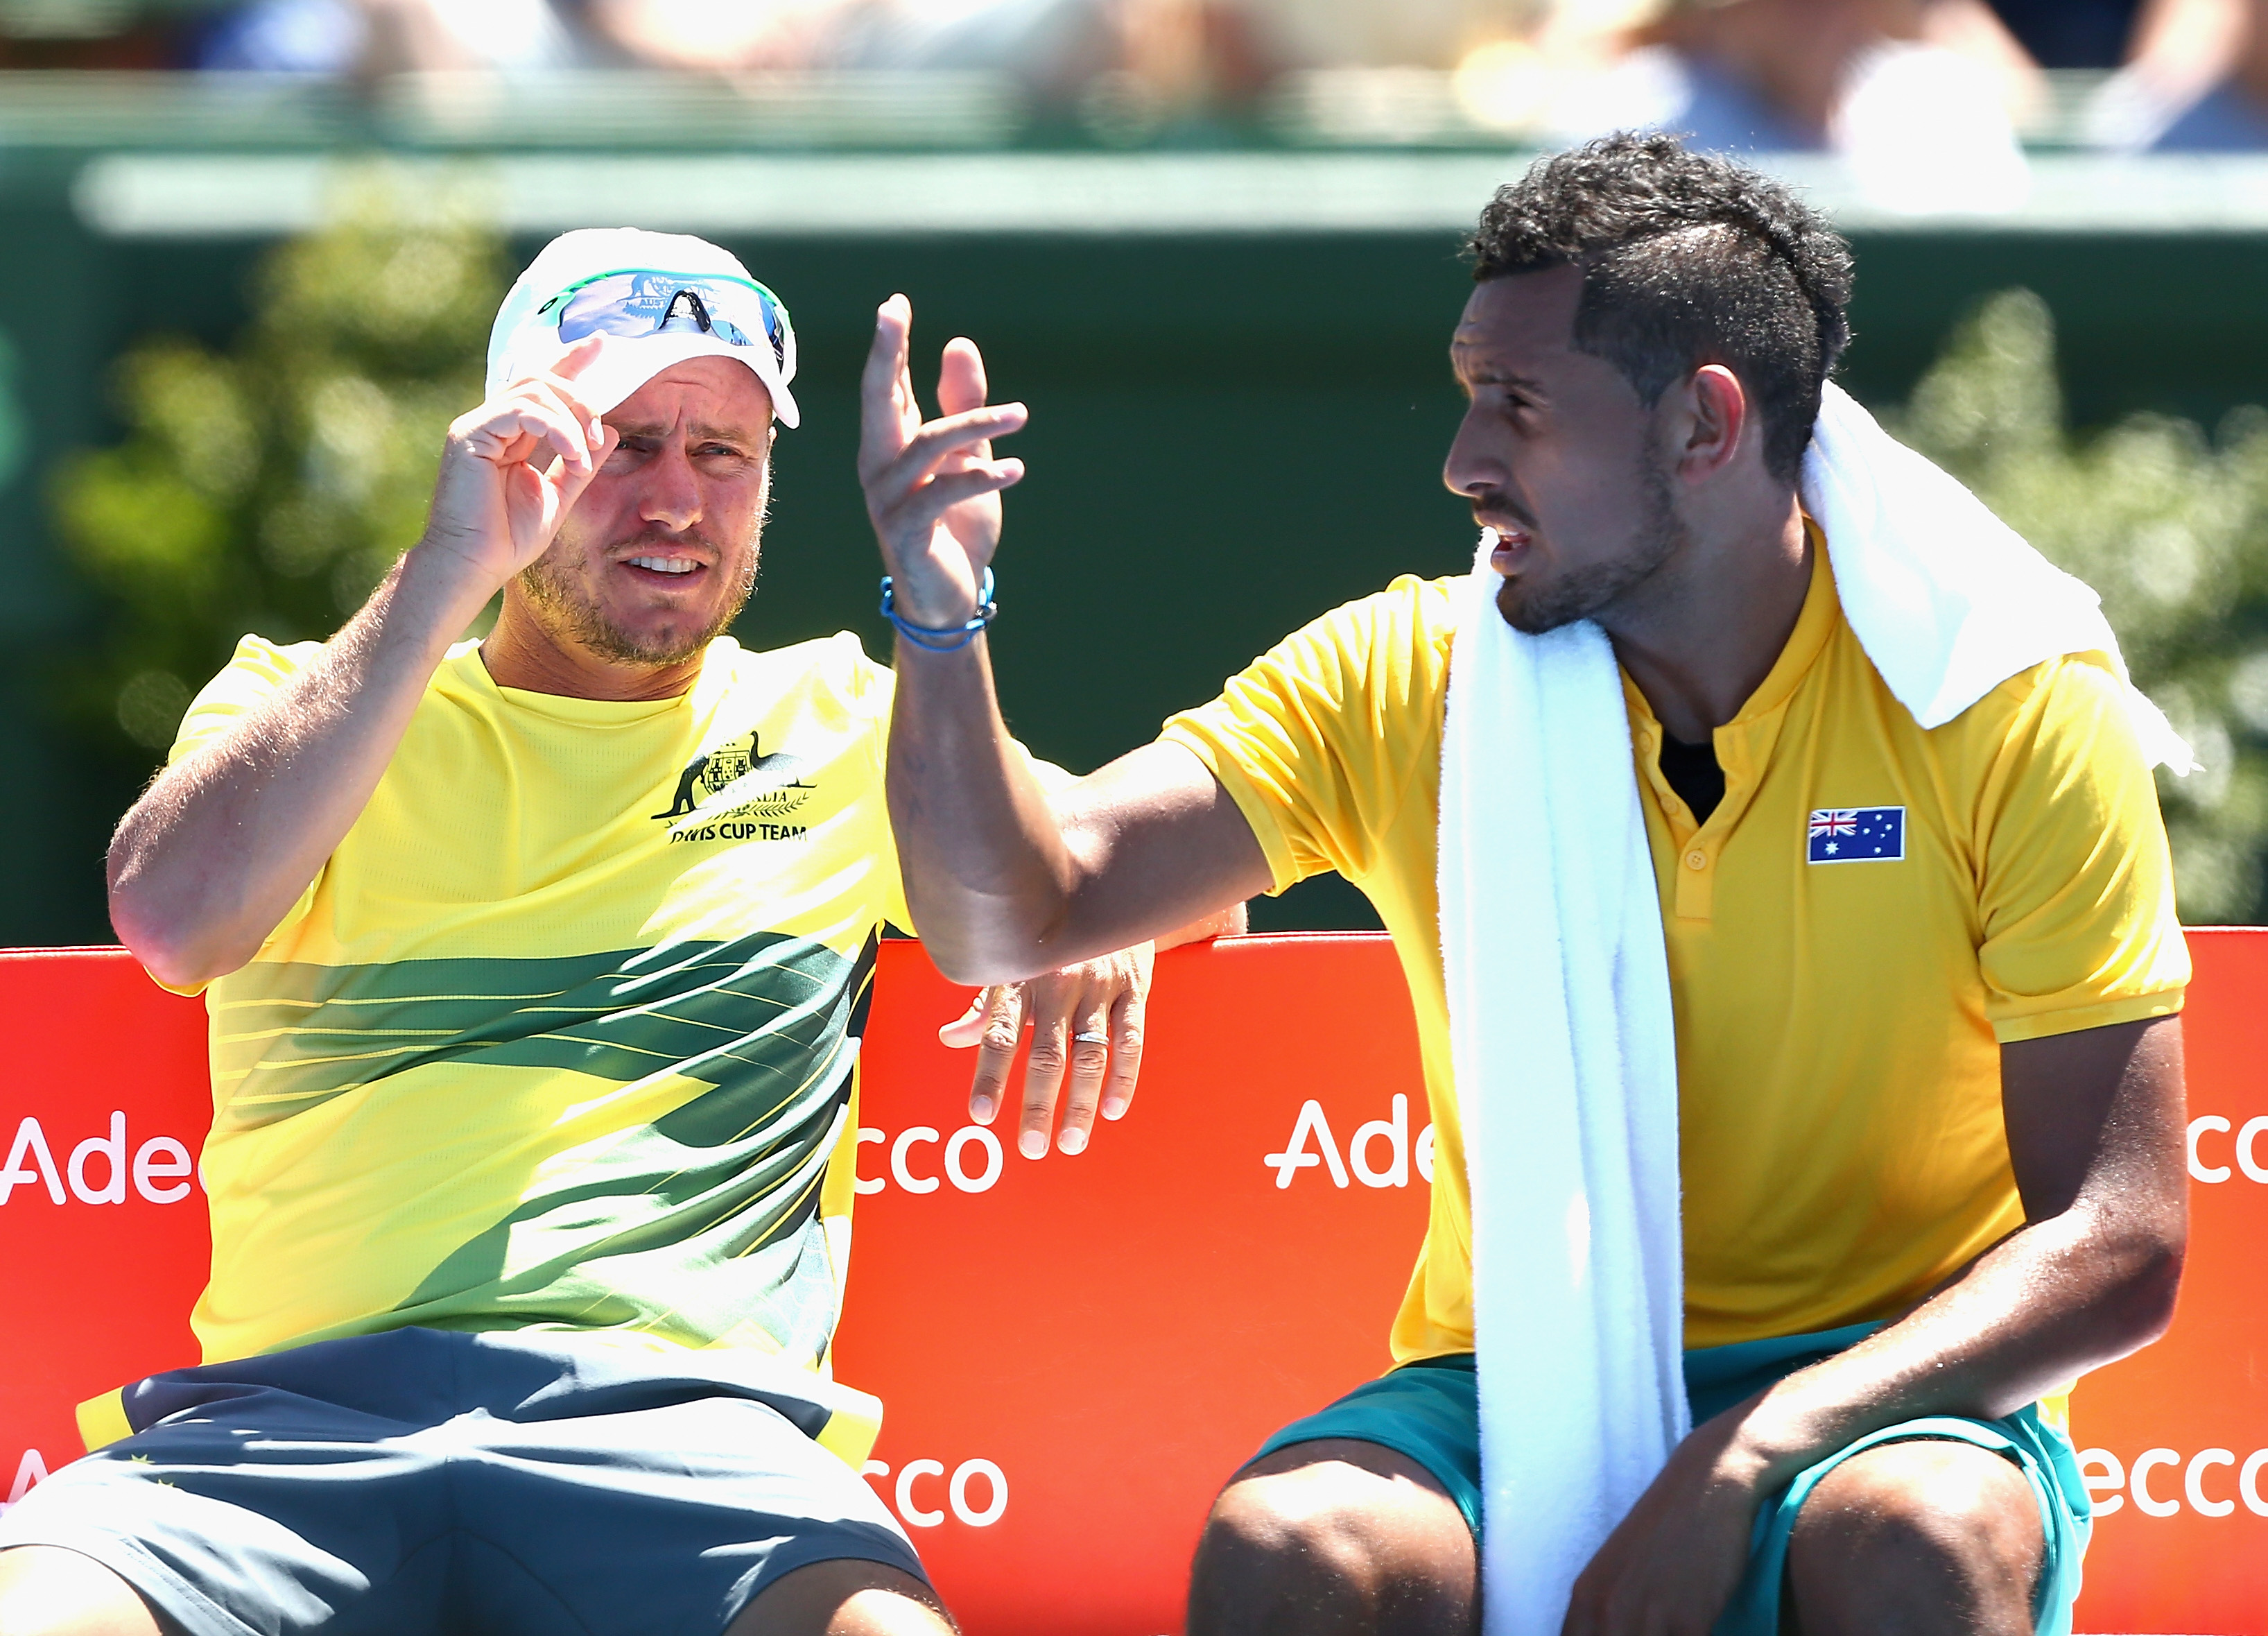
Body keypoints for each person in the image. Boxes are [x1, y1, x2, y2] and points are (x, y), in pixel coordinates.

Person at [858, 134, 2190, 1635]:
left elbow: (2121, 1237)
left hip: (1893, 1393)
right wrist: (941, 617)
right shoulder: (1407, 670)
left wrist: (1746, 1450)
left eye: (1520, 404)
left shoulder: (2006, 702)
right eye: (1465, 393)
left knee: (1919, 1536)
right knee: (1298, 1550)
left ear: (1703, 422)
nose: (1462, 460)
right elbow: (1006, 919)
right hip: (1514, 1380)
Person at [0, 227, 1228, 1636]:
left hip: (695, 1444)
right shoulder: (308, 698)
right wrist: (449, 569)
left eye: (725, 453)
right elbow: (170, 919)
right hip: (281, 1434)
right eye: (623, 442)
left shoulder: (841, 721)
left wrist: (1095, 913)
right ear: (509, 455)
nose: (675, 499)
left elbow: (1180, 861)